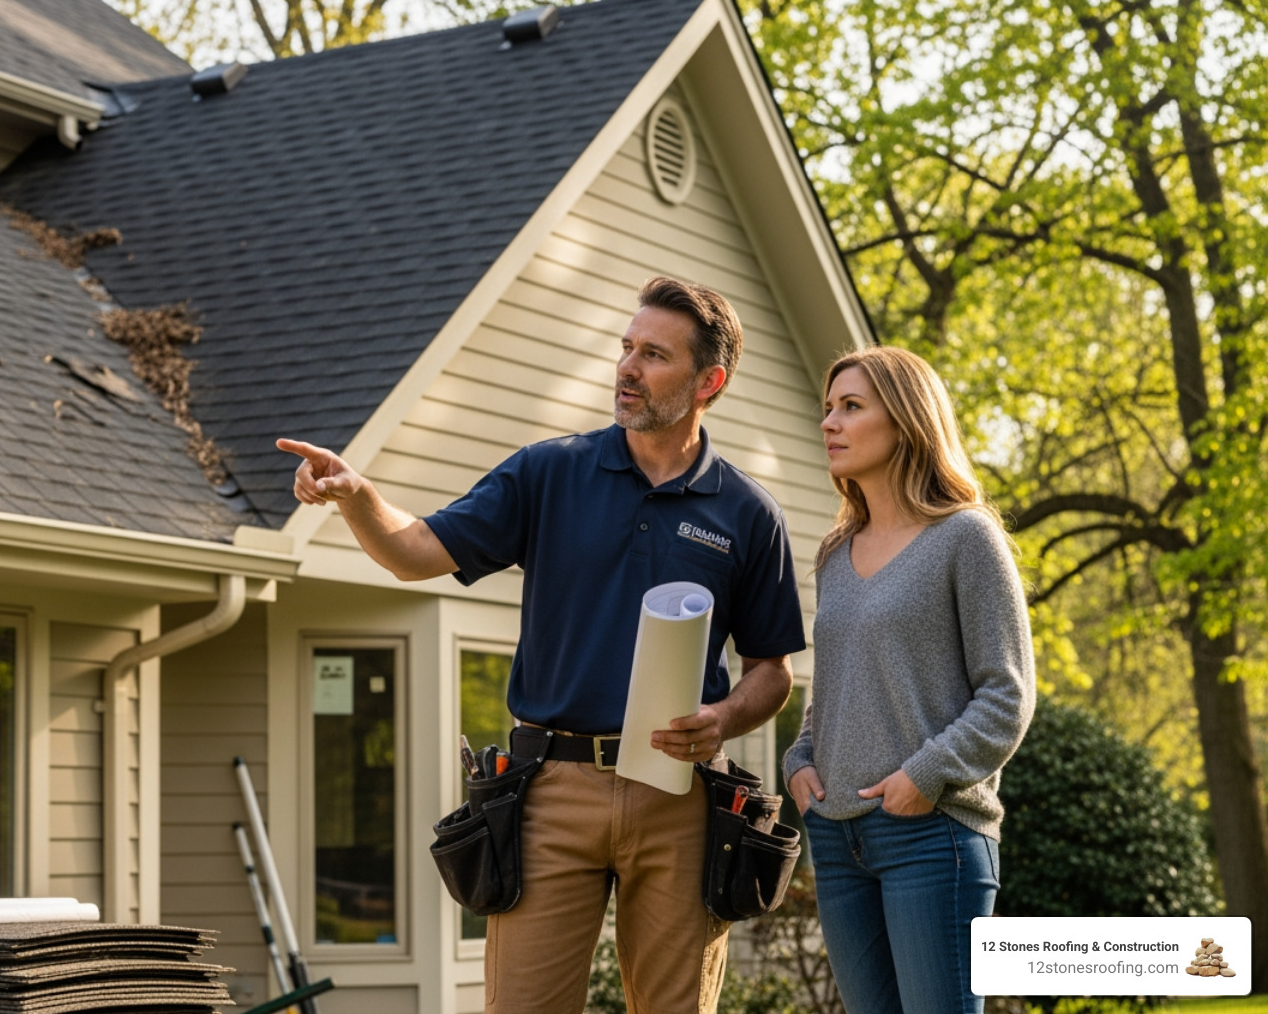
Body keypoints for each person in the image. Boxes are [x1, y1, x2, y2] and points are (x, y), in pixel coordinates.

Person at [278, 276, 806, 1013]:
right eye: (626, 347)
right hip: (552, 788)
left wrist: (723, 719)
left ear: (707, 381)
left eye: (654, 355)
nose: (627, 368)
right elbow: (415, 552)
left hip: (680, 796)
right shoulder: (549, 472)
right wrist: (359, 496)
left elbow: (772, 671)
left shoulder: (748, 513)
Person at [783, 345, 1036, 1014]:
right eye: (828, 408)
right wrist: (800, 758)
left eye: (851, 407)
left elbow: (1007, 694)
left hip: (932, 835)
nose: (829, 422)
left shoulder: (966, 538)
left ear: (905, 421)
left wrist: (927, 775)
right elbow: (836, 687)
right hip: (837, 837)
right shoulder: (835, 553)